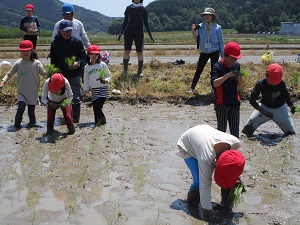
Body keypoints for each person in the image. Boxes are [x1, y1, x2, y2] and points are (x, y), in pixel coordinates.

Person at [177, 124, 245, 211]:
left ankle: (225, 203)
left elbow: (232, 164)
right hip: (187, 144)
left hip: (204, 134)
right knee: (198, 181)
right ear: (215, 162)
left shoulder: (235, 142)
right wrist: (207, 214)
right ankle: (191, 205)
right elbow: (205, 186)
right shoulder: (206, 159)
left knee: (228, 174)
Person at [0, 40, 47, 128]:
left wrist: (52, 77)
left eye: (27, 50)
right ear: (20, 51)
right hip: (21, 91)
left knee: (31, 112)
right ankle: (16, 126)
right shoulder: (18, 63)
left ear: (32, 50)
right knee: (21, 107)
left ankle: (32, 126)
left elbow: (44, 74)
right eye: (23, 51)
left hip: (33, 92)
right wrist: (3, 82)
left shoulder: (37, 63)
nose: (25, 52)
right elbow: (9, 74)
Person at [242, 63, 296, 137]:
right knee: (247, 131)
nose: (274, 84)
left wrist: (291, 106)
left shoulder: (282, 83)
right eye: (272, 81)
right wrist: (263, 111)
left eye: (276, 82)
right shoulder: (260, 83)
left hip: (280, 108)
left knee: (291, 134)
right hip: (264, 107)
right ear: (266, 75)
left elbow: (286, 95)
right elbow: (252, 100)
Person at [50, 19, 86, 123]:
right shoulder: (55, 43)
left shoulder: (77, 42)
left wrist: (78, 63)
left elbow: (84, 58)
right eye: (65, 31)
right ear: (60, 30)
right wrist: (54, 74)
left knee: (75, 96)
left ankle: (75, 119)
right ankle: (67, 117)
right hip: (61, 75)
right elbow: (53, 61)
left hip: (74, 74)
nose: (68, 33)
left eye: (70, 30)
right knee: (63, 98)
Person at [188, 7, 224, 93]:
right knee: (199, 70)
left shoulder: (217, 28)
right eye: (205, 15)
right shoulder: (200, 27)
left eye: (209, 15)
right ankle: (192, 88)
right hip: (204, 52)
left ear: (212, 16)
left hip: (214, 51)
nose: (207, 16)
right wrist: (193, 31)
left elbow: (221, 42)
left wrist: (223, 55)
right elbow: (197, 39)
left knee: (214, 71)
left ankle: (213, 89)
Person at [210, 42, 243, 138]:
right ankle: (221, 152)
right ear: (225, 55)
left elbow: (239, 87)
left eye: (236, 58)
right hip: (222, 104)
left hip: (234, 103)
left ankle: (233, 152)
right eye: (232, 58)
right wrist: (228, 75)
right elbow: (215, 83)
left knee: (235, 133)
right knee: (221, 132)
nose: (234, 61)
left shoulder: (237, 66)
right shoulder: (217, 67)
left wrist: (239, 79)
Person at [118, 0, 154, 77]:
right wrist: (121, 32)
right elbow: (125, 21)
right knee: (127, 50)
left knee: (139, 52)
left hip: (139, 32)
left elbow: (146, 22)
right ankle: (125, 71)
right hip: (128, 31)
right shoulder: (128, 8)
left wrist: (150, 33)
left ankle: (140, 71)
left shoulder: (143, 9)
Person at [82, 45, 112, 126]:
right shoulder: (87, 67)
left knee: (97, 107)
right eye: (92, 54)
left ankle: (103, 121)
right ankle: (97, 124)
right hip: (94, 90)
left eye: (96, 54)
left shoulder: (102, 65)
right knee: (95, 108)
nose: (94, 56)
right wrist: (85, 90)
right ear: (88, 55)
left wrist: (105, 80)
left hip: (103, 89)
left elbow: (109, 76)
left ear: (99, 55)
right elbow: (86, 81)